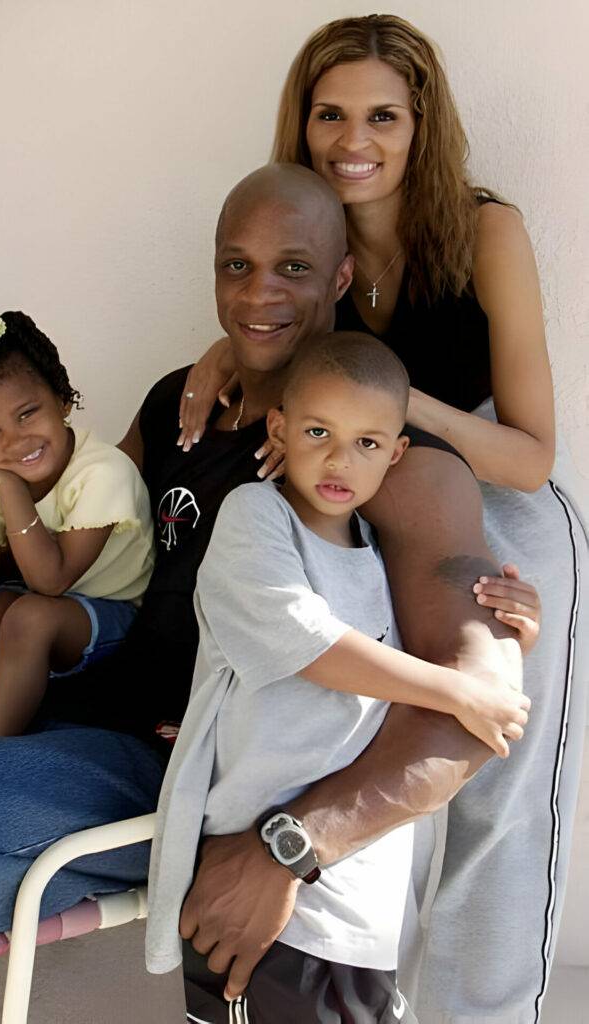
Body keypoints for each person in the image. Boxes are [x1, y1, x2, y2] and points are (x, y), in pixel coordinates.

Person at [0, 165, 537, 1021]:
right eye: (235, 266)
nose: (258, 293)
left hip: (170, 772)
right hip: (56, 721)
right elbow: (64, 552)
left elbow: (478, 708)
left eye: (293, 267)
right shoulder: (182, 404)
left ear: (342, 278)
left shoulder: (385, 463)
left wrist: (292, 846)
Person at [178, 16, 587, 1024]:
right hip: (374, 499)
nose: (352, 138)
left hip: (501, 498)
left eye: (382, 116)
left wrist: (397, 402)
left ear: (422, 125)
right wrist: (227, 355)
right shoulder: (308, 234)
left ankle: (492, 1011)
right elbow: (276, 341)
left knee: (496, 781)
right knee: (359, 745)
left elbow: (533, 452)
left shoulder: (485, 229)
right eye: (330, 114)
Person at [147, 330, 532, 1024]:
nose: (338, 458)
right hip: (254, 885)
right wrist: (457, 689)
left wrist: (512, 626)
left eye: (366, 443)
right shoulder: (254, 518)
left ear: (396, 453)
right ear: (280, 430)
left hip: (357, 905)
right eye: (319, 431)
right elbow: (308, 641)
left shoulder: (380, 557)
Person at [0, 310, 153, 745]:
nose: (14, 441)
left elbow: (51, 581)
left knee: (29, 616)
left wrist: (7, 488)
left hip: (117, 618)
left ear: (63, 399)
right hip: (50, 605)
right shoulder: (7, 480)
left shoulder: (103, 471)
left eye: (27, 414)